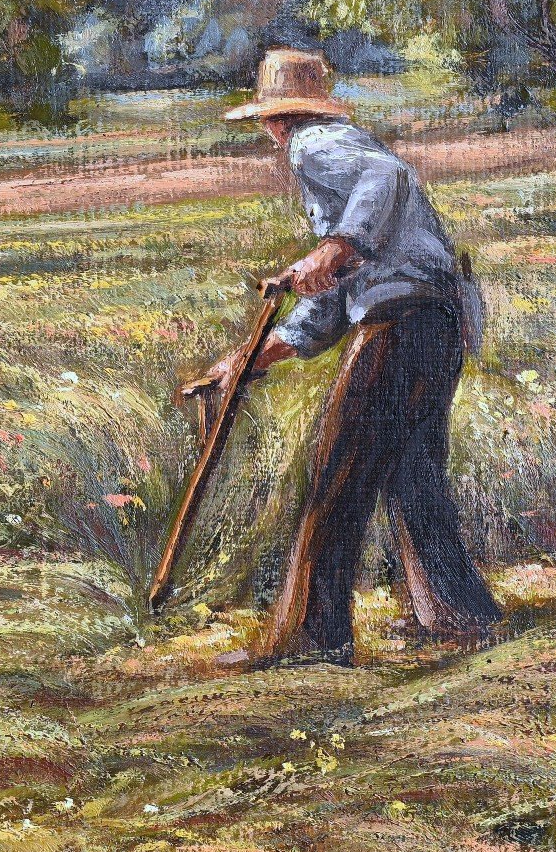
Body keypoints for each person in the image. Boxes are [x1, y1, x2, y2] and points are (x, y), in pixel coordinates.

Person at [207, 48, 500, 662]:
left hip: (400, 323)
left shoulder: (313, 145)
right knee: (412, 471)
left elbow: (386, 179)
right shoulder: (341, 151)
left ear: (274, 118)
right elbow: (330, 304)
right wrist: (249, 359)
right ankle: (454, 611)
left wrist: (336, 247)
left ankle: (313, 634)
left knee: (338, 470)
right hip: (434, 319)